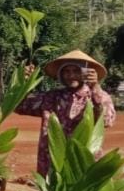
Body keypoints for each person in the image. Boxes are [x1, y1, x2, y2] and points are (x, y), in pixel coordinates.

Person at [16, 49, 117, 177]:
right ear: (60, 74)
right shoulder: (51, 98)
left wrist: (96, 87)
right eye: (66, 71)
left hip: (83, 159)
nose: (71, 75)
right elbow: (20, 106)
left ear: (85, 73)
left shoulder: (98, 96)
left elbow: (107, 121)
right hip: (53, 160)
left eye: (76, 71)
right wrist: (24, 83)